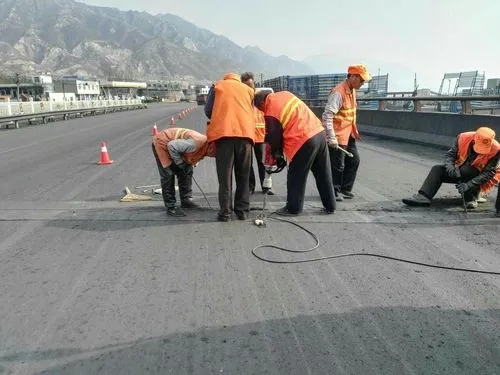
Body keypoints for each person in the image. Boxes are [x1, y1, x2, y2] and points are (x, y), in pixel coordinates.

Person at [254, 90, 336, 216]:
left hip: (303, 139)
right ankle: (330, 205)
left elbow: (274, 137)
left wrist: (278, 155)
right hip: (318, 133)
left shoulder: (271, 108)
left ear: (261, 102)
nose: (262, 111)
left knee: (296, 176)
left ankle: (293, 208)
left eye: (260, 108)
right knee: (323, 172)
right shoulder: (285, 94)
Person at [402, 127, 500, 211]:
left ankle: (471, 198)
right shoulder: (463, 138)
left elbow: (488, 173)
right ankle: (424, 197)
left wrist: (468, 185)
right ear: (474, 139)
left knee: (469, 170)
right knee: (437, 169)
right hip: (458, 170)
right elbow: (450, 155)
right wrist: (450, 167)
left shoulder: (496, 150)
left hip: (476, 178)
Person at [204, 72, 255, 221]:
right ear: (239, 79)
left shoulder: (217, 86)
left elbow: (208, 110)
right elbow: (250, 111)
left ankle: (225, 212)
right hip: (245, 135)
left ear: (226, 77)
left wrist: (221, 116)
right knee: (243, 175)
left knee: (225, 177)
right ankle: (242, 210)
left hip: (224, 136)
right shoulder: (248, 90)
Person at [321, 64, 371, 201]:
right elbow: (327, 115)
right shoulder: (338, 92)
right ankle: (333, 191)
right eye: (361, 80)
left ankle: (345, 188)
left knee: (354, 160)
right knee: (337, 165)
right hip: (337, 135)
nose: (362, 83)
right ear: (353, 77)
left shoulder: (352, 90)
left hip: (349, 133)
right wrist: (331, 137)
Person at [152, 127, 214, 217]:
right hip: (162, 143)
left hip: (176, 147)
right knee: (168, 174)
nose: (212, 155)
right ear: (211, 147)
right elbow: (171, 146)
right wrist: (180, 163)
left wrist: (190, 164)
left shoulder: (205, 146)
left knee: (187, 169)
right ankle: (171, 207)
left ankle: (186, 200)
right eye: (213, 153)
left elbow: (197, 155)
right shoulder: (197, 143)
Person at [240, 72, 274, 195]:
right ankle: (250, 187)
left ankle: (266, 187)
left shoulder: (259, 97)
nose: (249, 87)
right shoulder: (241, 99)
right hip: (247, 136)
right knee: (247, 164)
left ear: (254, 83)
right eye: (246, 85)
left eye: (250, 84)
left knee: (262, 163)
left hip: (261, 135)